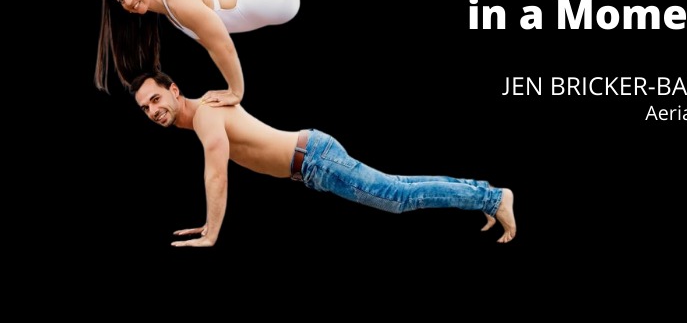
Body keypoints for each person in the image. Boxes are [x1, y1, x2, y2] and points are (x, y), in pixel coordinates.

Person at [130, 70, 517, 247]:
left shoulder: (205, 114)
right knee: (399, 188)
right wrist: (206, 224)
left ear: (174, 90)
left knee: (398, 198)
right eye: (145, 108)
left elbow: (216, 175)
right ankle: (484, 194)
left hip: (314, 159)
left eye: (156, 99)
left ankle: (492, 198)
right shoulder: (205, 112)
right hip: (312, 157)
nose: (153, 110)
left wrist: (212, 233)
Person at [95, 0, 300, 107]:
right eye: (121, 0)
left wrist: (235, 92)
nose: (128, 3)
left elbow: (222, 45)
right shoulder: (169, 11)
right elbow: (213, 47)